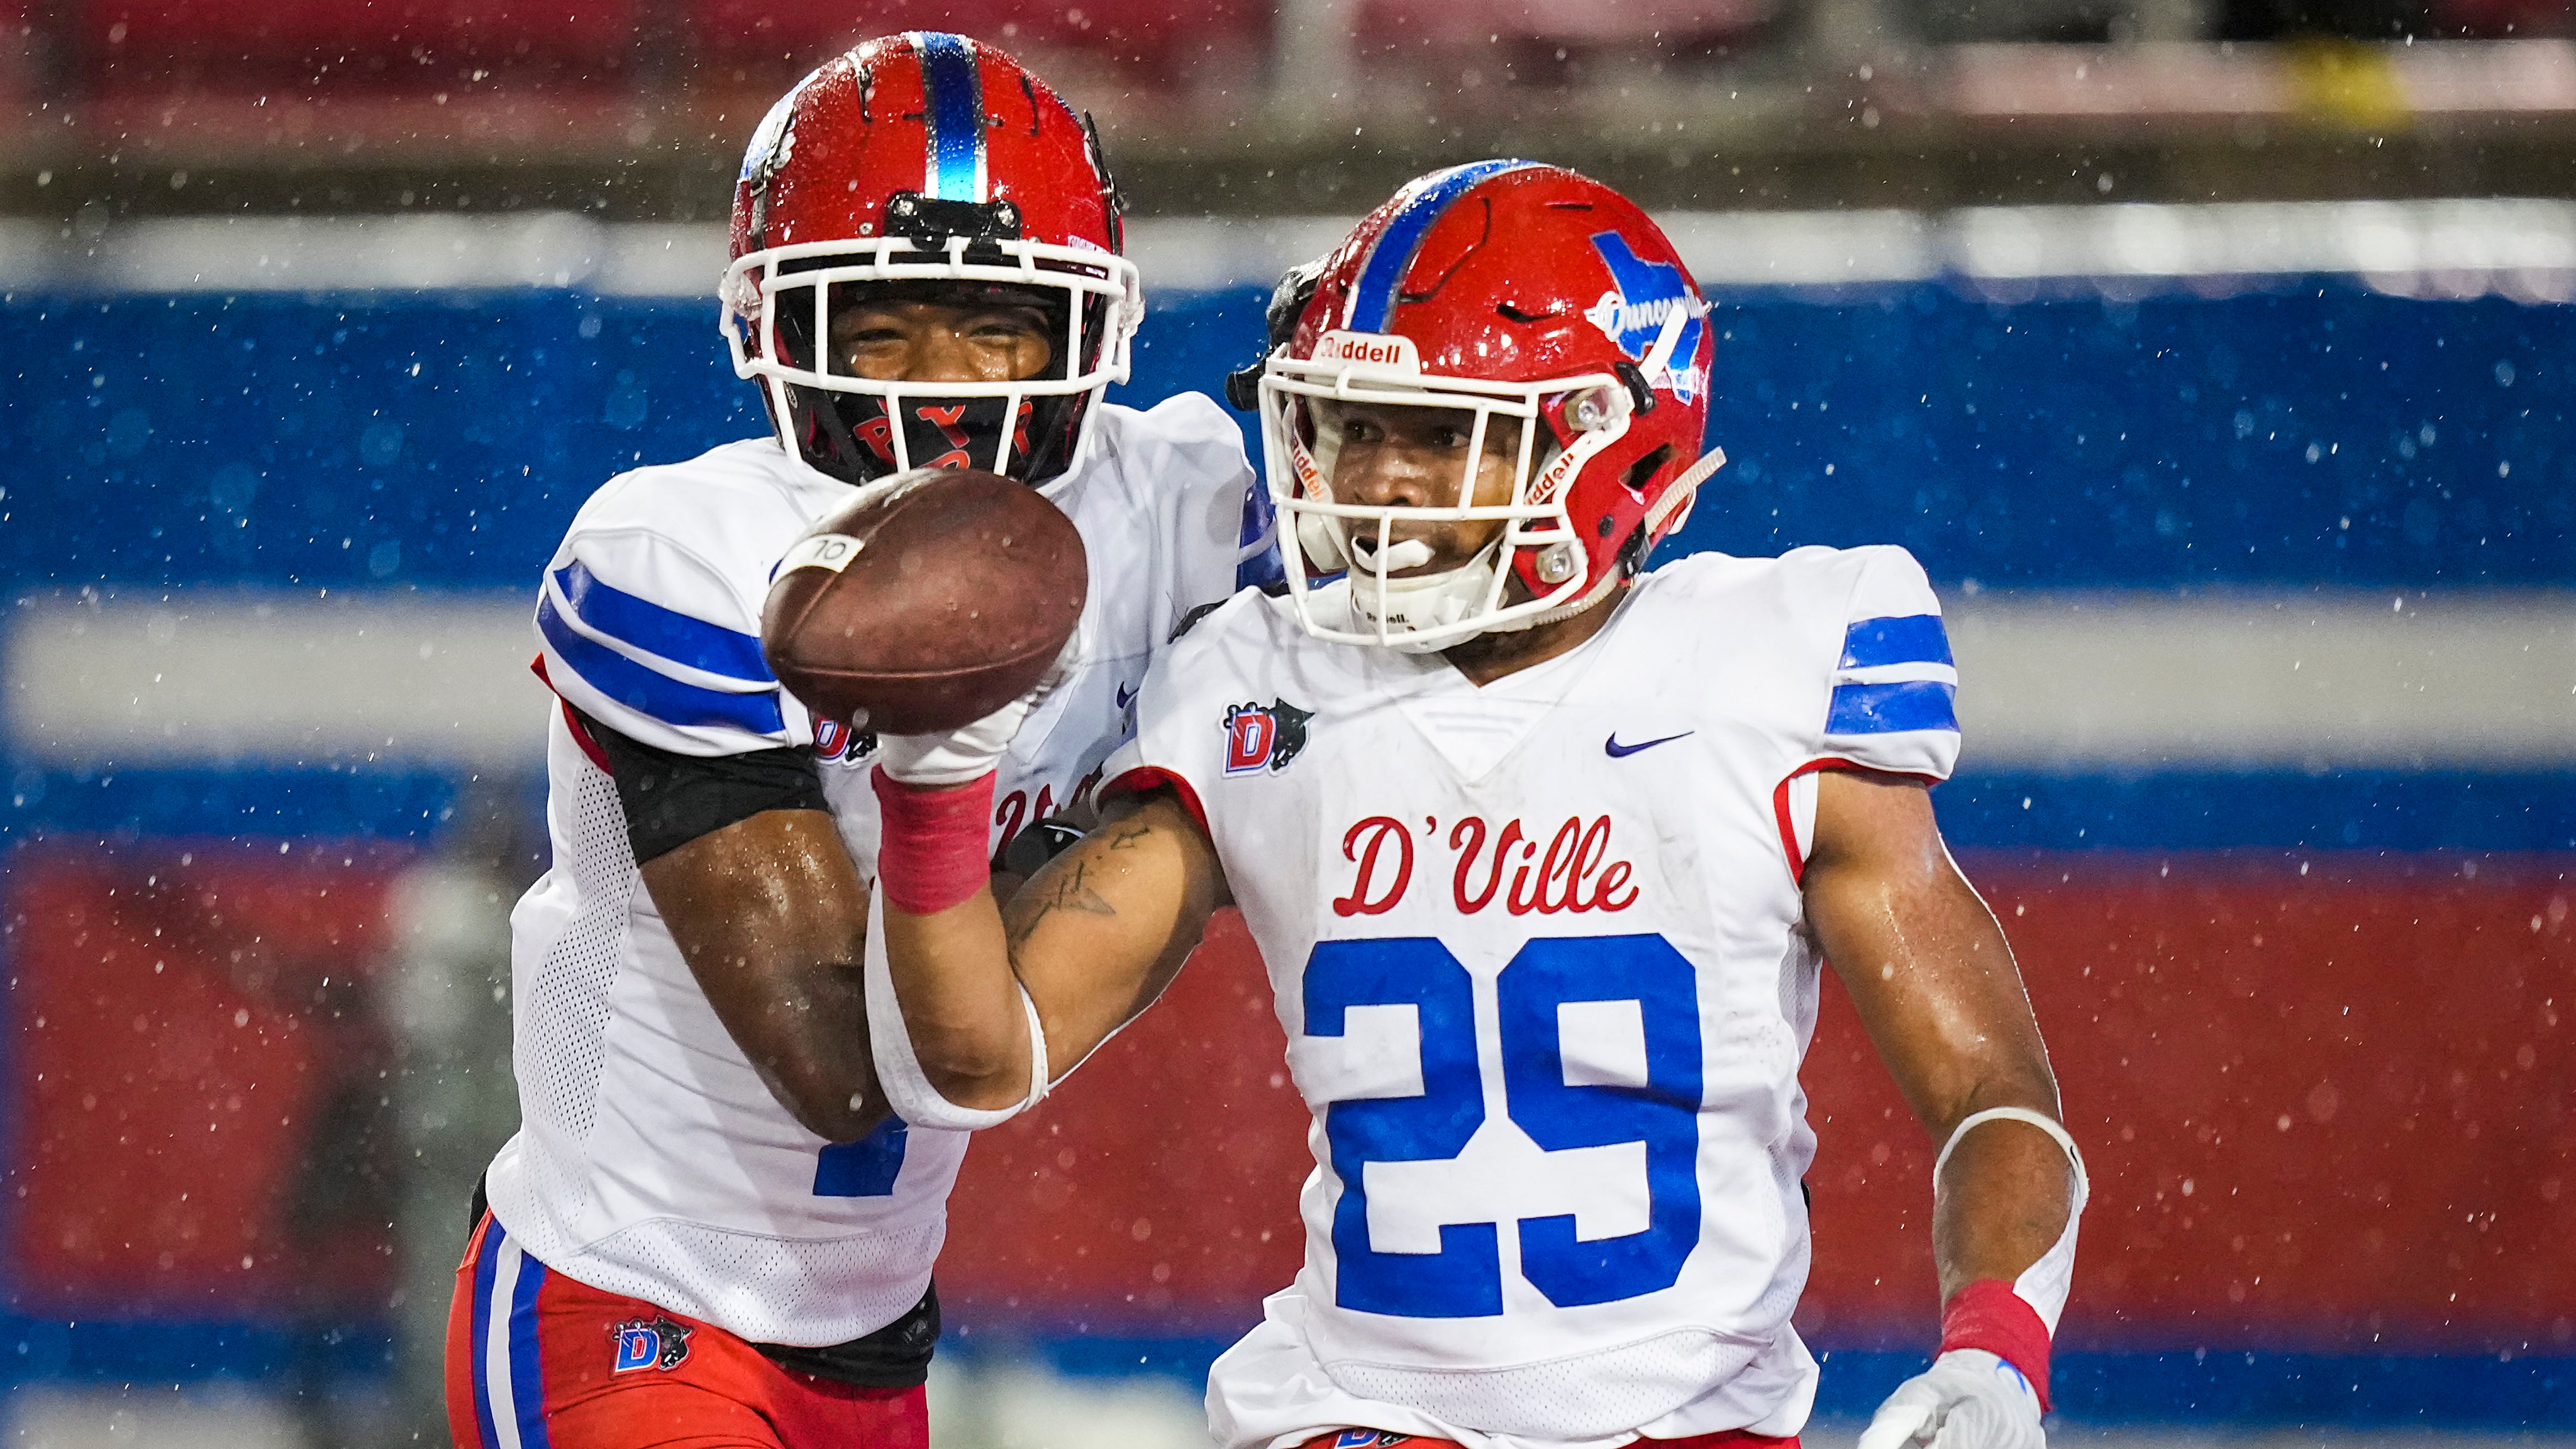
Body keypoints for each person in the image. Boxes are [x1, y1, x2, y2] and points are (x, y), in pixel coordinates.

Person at [857, 160, 2089, 1449]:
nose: (1380, 484)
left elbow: (1992, 1098)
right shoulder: (1254, 680)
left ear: (1617, 437)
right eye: (1358, 427)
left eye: (1444, 435)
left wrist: (1993, 1356)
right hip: (1359, 1418)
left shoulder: (1766, 666)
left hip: (1695, 1420)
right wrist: (933, 780)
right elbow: (976, 1056)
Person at [442, 32, 1270, 1449]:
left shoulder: (1188, 505)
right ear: (780, 334)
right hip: (631, 1305)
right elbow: (843, 1066)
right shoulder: (683, 554)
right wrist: (1074, 842)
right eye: (878, 329)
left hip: (872, 1340)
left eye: (997, 328)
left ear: (1088, 338)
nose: (939, 392)